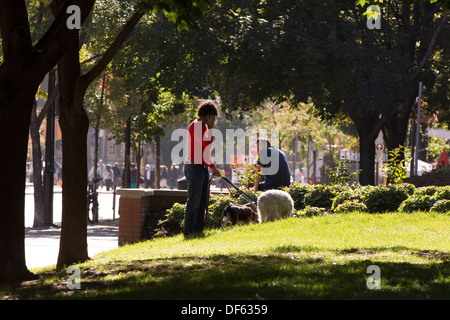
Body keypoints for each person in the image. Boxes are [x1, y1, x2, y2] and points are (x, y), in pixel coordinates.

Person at [184, 100, 221, 236]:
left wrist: (212, 167)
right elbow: (206, 144)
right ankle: (188, 233)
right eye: (212, 117)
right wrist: (211, 129)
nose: (213, 120)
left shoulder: (204, 128)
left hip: (202, 167)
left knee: (202, 202)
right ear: (206, 115)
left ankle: (197, 232)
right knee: (194, 201)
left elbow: (205, 152)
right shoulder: (196, 126)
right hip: (193, 168)